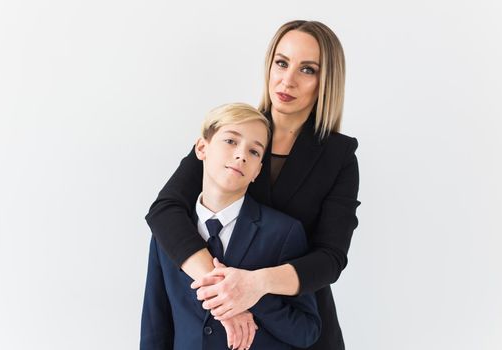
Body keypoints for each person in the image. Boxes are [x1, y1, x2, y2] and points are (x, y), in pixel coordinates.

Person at [146, 20, 360, 350]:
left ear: (325, 81)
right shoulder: (236, 131)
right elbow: (164, 212)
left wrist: (255, 285)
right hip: (216, 328)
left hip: (297, 328)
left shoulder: (339, 156)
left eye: (307, 69)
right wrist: (224, 292)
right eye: (281, 62)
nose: (287, 79)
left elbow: (330, 259)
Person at [140, 103, 321, 350]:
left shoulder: (283, 233)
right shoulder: (168, 233)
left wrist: (249, 294)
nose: (241, 155)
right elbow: (155, 325)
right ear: (202, 148)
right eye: (230, 141)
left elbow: (306, 331)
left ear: (258, 171)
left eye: (254, 152)